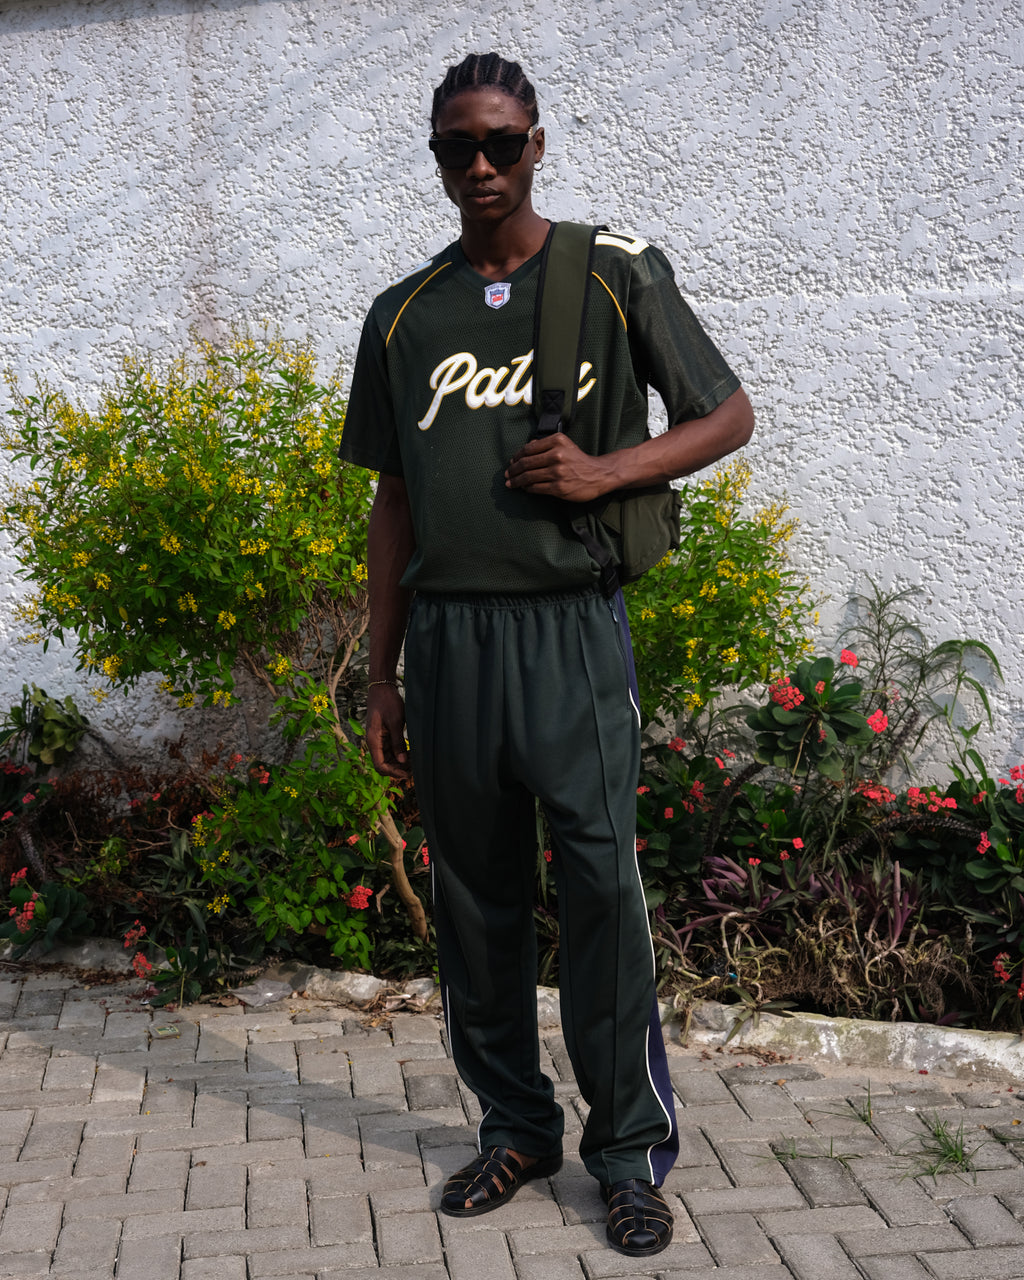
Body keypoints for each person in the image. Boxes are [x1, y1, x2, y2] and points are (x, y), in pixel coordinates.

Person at [340, 52, 753, 1259]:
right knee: (475, 902)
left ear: (536, 144)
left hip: (569, 630)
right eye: (455, 145)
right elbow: (392, 502)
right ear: (435, 155)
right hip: (450, 640)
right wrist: (381, 670)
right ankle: (516, 1128)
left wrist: (604, 471)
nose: (479, 165)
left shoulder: (612, 271)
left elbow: (725, 414)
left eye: (500, 142)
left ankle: (627, 1153)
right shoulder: (403, 315)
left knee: (602, 890)